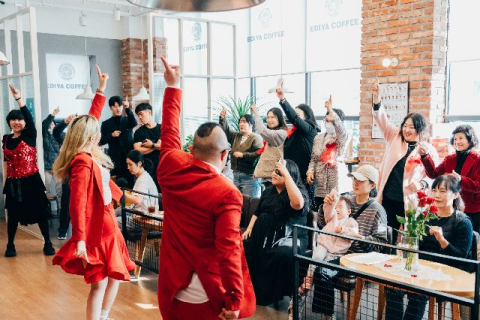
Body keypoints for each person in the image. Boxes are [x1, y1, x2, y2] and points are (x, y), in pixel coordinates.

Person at [156, 56, 255, 320]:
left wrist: (173, 87)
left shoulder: (170, 164)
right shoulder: (226, 192)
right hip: (206, 296)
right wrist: (235, 300)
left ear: (191, 150)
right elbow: (229, 246)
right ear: (226, 154)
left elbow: (169, 135)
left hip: (171, 288)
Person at [52, 66, 135, 320]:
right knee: (101, 282)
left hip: (108, 223)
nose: (99, 132)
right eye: (96, 131)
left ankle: (103, 317)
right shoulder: (82, 161)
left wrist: (100, 89)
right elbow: (76, 204)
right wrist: (79, 239)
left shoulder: (88, 154)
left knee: (114, 277)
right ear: (90, 136)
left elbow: (90, 120)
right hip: (99, 226)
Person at [385, 175, 473, 320]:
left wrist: (442, 240)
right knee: (393, 287)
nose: (437, 195)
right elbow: (418, 247)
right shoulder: (427, 216)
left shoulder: (463, 222)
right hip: (422, 268)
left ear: (455, 194)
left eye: (443, 191)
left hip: (448, 273)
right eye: (434, 190)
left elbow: (462, 258)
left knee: (418, 294)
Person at [312, 165, 388, 319]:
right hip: (336, 250)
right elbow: (323, 224)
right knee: (307, 265)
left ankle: (327, 316)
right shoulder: (345, 199)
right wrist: (325, 207)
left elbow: (381, 242)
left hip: (357, 257)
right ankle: (324, 314)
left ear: (372, 185)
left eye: (361, 180)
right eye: (354, 178)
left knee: (322, 272)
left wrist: (361, 238)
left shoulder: (378, 210)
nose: (355, 183)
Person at [372, 82, 439, 241]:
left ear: (420, 129)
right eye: (405, 126)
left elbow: (433, 176)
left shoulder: (427, 149)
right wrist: (376, 98)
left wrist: (421, 185)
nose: (407, 130)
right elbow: (381, 119)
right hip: (388, 197)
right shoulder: (393, 136)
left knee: (411, 238)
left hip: (411, 201)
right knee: (386, 236)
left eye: (412, 127)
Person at [243, 159, 309, 306]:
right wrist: (249, 229)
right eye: (275, 171)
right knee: (243, 247)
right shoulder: (268, 192)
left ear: (290, 175)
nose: (274, 174)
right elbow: (257, 212)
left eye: (279, 172)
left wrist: (286, 173)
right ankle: (250, 290)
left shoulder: (298, 193)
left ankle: (283, 294)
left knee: (282, 254)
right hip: (264, 236)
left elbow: (298, 204)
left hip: (289, 236)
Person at [3, 85, 55, 257]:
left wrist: (19, 99)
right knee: (13, 214)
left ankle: (47, 242)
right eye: (13, 120)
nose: (17, 122)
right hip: (13, 182)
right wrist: (6, 180)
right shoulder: (6, 139)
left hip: (31, 180)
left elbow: (29, 118)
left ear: (24, 122)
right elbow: (6, 161)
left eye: (19, 119)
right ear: (9, 122)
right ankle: (10, 245)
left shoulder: (30, 135)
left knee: (40, 213)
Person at [298, 189, 358, 296]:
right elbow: (328, 210)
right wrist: (332, 198)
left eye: (341, 207)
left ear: (348, 211)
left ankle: (309, 284)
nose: (337, 209)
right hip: (324, 244)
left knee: (322, 268)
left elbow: (353, 234)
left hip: (336, 253)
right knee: (316, 258)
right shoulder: (332, 217)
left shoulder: (351, 222)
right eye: (336, 206)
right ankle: (309, 278)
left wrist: (343, 229)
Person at [420, 125, 480, 232]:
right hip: (451, 207)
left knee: (470, 241)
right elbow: (434, 174)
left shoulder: (478, 159)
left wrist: (461, 179)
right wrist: (425, 157)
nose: (457, 141)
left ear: (470, 140)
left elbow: (478, 186)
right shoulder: (449, 159)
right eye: (455, 139)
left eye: (461, 138)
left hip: (472, 208)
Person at [276, 83, 320, 208]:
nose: (295, 119)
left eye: (298, 116)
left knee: (304, 204)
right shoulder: (293, 133)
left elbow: (294, 118)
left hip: (304, 176)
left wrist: (283, 100)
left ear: (307, 117)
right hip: (292, 174)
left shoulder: (310, 129)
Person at [307, 95, 351, 209]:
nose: (327, 122)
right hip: (319, 183)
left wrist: (331, 111)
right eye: (326, 119)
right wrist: (310, 171)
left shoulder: (341, 138)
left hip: (336, 182)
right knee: (321, 212)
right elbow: (313, 158)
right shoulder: (318, 137)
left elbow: (342, 132)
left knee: (335, 212)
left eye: (330, 120)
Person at [219, 109, 263, 197]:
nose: (241, 124)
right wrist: (222, 119)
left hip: (250, 177)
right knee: (236, 202)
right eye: (240, 122)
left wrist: (243, 155)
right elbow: (226, 132)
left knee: (248, 205)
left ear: (251, 124)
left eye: (244, 122)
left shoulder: (256, 138)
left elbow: (259, 155)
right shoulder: (237, 136)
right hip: (236, 175)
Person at [100, 95, 137, 187]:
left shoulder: (127, 120)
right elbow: (100, 141)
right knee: (118, 183)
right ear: (110, 108)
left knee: (131, 181)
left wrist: (127, 108)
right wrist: (111, 135)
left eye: (119, 106)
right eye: (115, 106)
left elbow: (134, 123)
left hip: (129, 155)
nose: (118, 109)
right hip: (115, 157)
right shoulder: (105, 124)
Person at [251, 104, 287, 186]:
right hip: (267, 177)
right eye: (268, 117)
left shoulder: (281, 133)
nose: (269, 120)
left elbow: (262, 130)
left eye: (272, 117)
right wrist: (257, 170)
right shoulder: (271, 135)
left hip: (275, 178)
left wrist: (256, 113)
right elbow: (265, 154)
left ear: (279, 118)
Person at [55, 113, 78, 240]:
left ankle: (78, 231)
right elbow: (56, 132)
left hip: (82, 176)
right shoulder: (65, 138)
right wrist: (65, 121)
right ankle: (63, 230)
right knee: (66, 203)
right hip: (69, 176)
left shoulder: (84, 140)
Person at [133, 102, 161, 191]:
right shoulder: (139, 132)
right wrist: (156, 145)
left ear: (149, 112)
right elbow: (138, 150)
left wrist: (151, 145)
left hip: (162, 168)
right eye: (138, 115)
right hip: (147, 169)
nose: (139, 117)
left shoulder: (162, 128)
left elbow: (165, 147)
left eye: (141, 114)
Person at [42, 107, 62, 199]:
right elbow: (44, 126)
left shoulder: (60, 136)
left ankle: (61, 210)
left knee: (60, 190)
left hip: (58, 167)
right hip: (46, 167)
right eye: (49, 124)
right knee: (45, 191)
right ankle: (47, 211)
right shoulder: (44, 135)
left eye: (52, 124)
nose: (51, 125)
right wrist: (53, 115)